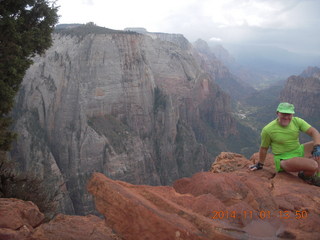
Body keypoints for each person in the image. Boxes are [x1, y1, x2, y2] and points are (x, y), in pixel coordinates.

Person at [249, 102, 320, 186]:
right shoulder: (268, 130)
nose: (286, 117)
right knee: (313, 165)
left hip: (298, 150)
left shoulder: (296, 121)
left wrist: (317, 146)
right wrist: (260, 164)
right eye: (283, 114)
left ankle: (318, 176)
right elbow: (264, 148)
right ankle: (305, 176)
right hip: (284, 159)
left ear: (292, 114)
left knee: (318, 143)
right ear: (277, 113)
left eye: (289, 114)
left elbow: (313, 132)